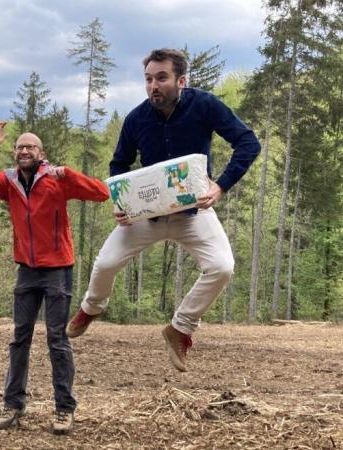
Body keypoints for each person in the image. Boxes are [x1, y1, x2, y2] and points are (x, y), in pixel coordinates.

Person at [66, 48, 261, 372]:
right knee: (106, 263)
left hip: (194, 212)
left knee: (222, 267)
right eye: (148, 79)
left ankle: (180, 328)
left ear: (180, 80)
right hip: (146, 214)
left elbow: (248, 143)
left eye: (161, 78)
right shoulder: (136, 119)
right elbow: (119, 164)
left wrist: (221, 185)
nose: (153, 86)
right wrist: (121, 203)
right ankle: (91, 308)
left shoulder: (204, 105)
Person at [0, 122, 109, 434]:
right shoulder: (9, 182)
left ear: (41, 153)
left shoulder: (57, 180)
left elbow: (102, 193)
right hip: (26, 271)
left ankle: (64, 409)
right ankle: (14, 405)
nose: (24, 150)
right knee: (20, 339)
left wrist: (68, 174)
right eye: (19, 147)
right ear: (15, 153)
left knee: (57, 340)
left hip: (57, 269)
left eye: (30, 147)